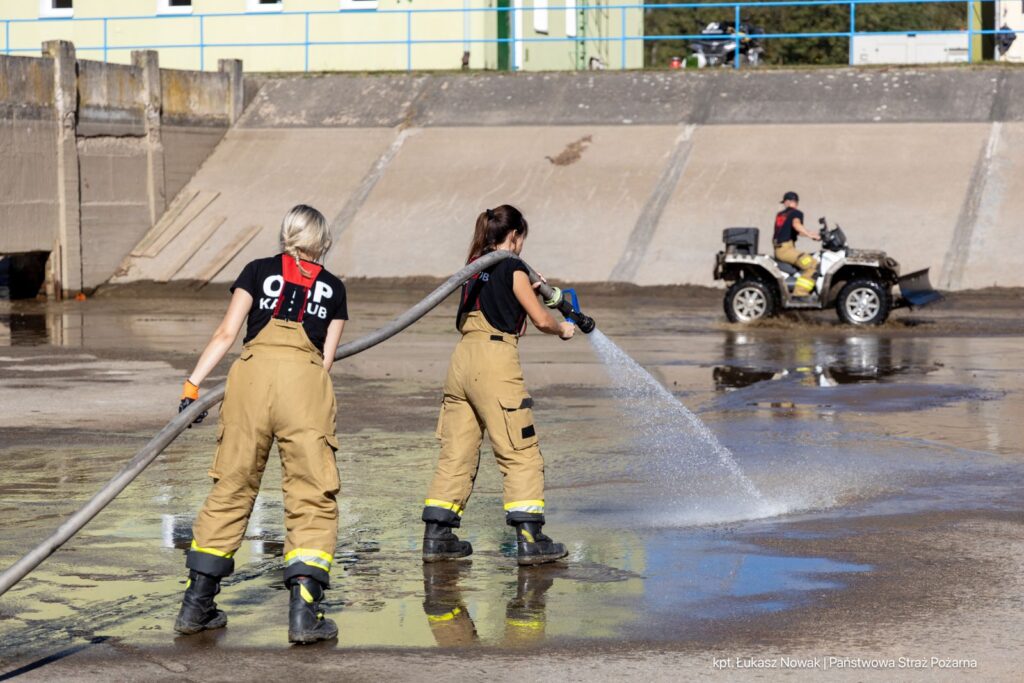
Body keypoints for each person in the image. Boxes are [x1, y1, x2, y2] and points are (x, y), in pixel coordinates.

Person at [173, 204, 348, 644]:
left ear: (285, 234)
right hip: (304, 382)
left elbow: (226, 333)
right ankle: (304, 616)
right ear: (322, 241)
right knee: (311, 490)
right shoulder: (334, 287)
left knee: (232, 484)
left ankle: (196, 606)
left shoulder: (256, 270)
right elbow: (325, 361)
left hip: (250, 378)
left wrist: (193, 387)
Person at [421, 205, 574, 567]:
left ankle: (437, 536)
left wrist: (530, 284)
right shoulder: (512, 265)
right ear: (515, 235)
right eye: (522, 240)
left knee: (457, 450)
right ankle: (529, 538)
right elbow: (540, 319)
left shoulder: (475, 266)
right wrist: (563, 329)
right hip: (494, 359)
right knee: (519, 449)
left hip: (461, 361)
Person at [773, 191, 821, 297]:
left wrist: (814, 234)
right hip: (786, 250)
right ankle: (800, 293)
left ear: (788, 201)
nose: (784, 204)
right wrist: (810, 235)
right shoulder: (795, 213)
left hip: (780, 249)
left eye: (784, 202)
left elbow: (797, 231)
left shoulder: (781, 214)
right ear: (794, 202)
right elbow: (796, 225)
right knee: (812, 264)